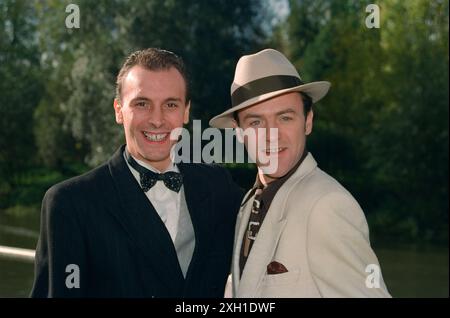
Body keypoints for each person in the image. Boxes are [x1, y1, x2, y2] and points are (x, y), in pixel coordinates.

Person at [31, 48, 243, 298]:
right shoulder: (70, 203)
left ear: (186, 111)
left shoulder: (218, 186)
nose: (157, 120)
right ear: (119, 110)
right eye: (142, 104)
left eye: (170, 104)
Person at [210, 48, 391, 298]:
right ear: (239, 133)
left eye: (285, 118)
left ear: (308, 121)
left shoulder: (327, 206)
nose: (272, 134)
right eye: (255, 122)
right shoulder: (249, 203)